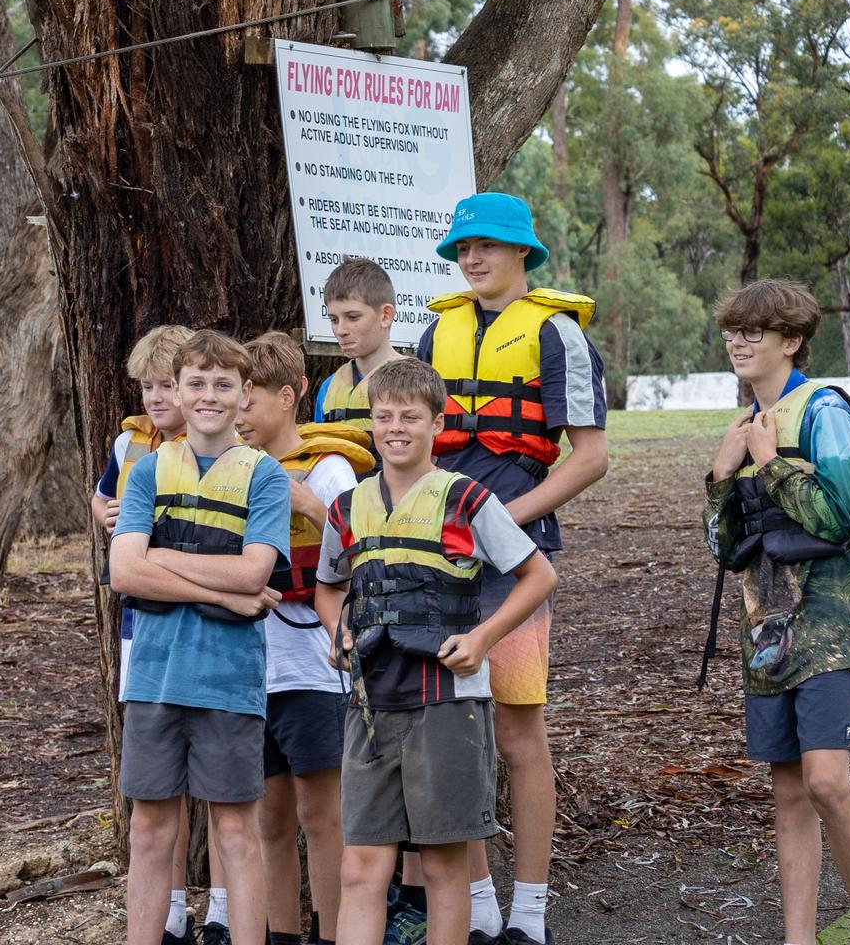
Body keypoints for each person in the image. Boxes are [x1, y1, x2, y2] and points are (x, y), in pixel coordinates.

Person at [415, 193, 609, 945]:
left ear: (522, 250)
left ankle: (530, 911)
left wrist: (498, 525)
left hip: (514, 562)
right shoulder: (435, 332)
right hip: (433, 559)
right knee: (447, 731)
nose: (472, 259)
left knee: (519, 733)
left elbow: (590, 458)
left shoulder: (558, 334)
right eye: (463, 248)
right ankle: (478, 904)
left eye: (487, 245)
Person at [313, 360, 557, 945]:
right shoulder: (347, 508)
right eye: (384, 417)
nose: (395, 428)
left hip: (448, 702)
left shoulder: (466, 499)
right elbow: (328, 586)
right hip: (371, 704)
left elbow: (538, 575)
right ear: (371, 423)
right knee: (360, 865)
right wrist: (338, 632)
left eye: (410, 417)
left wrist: (481, 639)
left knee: (445, 863)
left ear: (437, 424)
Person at [703, 280, 850, 945]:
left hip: (829, 621)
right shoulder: (744, 425)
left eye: (754, 331)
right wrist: (722, 476)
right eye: (732, 331)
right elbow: (723, 549)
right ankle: (798, 938)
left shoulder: (825, 410)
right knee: (788, 790)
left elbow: (838, 519)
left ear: (792, 340)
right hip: (765, 625)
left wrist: (769, 464)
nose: (738, 342)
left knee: (826, 781)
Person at [110, 330, 290, 945]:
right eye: (196, 383)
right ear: (179, 392)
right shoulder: (149, 470)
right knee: (149, 831)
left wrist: (162, 557)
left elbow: (254, 572)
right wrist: (222, 595)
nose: (208, 395)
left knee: (237, 832)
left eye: (222, 384)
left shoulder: (264, 476)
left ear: (244, 394)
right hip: (154, 678)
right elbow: (123, 573)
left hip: (229, 682)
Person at [239, 331, 374, 945]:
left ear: (288, 396)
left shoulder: (328, 469)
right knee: (268, 820)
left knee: (322, 815)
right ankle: (281, 935)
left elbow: (365, 550)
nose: (238, 412)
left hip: (313, 670)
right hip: (249, 670)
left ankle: (332, 933)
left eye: (250, 399)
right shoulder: (231, 469)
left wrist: (308, 506)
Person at [91, 324, 224, 944]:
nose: (155, 397)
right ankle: (169, 911)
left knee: (223, 781)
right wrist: (109, 515)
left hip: (213, 633)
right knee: (158, 780)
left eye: (167, 385)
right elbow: (101, 499)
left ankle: (223, 906)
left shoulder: (220, 452)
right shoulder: (129, 446)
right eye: (147, 386)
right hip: (141, 624)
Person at [315, 258, 408, 447]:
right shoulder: (328, 387)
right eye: (334, 320)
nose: (341, 330)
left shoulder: (416, 381)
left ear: (385, 316)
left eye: (353, 317)